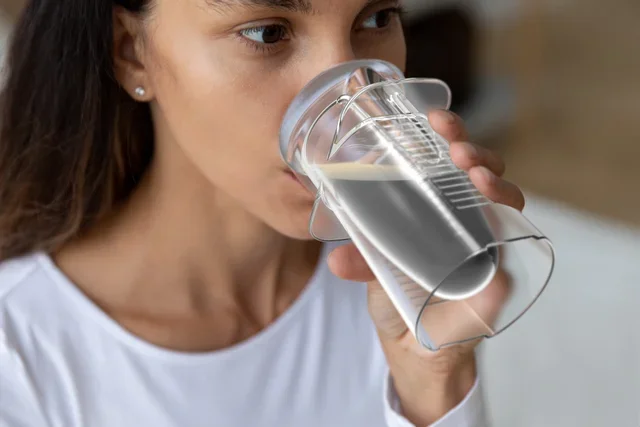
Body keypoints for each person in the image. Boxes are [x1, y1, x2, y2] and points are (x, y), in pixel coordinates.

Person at [0, 0, 525, 426]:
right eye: (268, 33)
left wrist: (438, 386)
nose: (352, 94)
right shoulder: (19, 361)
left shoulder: (394, 294)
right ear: (131, 52)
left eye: (376, 18)